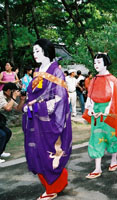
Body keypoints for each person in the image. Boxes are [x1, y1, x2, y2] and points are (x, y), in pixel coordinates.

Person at [22, 38, 72, 200]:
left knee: (49, 154)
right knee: (36, 152)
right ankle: (57, 183)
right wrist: (29, 105)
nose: (34, 54)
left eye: (37, 51)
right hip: (35, 121)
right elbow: (34, 95)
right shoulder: (38, 71)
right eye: (33, 51)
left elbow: (59, 98)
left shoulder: (56, 72)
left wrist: (36, 107)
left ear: (46, 50)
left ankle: (52, 188)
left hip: (49, 122)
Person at [82, 52, 117, 179]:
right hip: (96, 113)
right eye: (95, 62)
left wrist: (105, 112)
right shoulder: (93, 80)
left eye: (99, 62)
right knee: (96, 137)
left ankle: (114, 159)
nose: (96, 65)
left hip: (109, 113)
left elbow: (115, 99)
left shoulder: (113, 80)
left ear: (106, 63)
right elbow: (90, 96)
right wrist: (91, 109)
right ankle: (97, 168)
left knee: (111, 137)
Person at [0, 82, 26, 163]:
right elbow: (8, 108)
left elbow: (18, 109)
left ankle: (1, 151)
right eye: (14, 91)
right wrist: (14, 97)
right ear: (8, 91)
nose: (16, 93)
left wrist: (22, 100)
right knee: (2, 135)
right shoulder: (1, 96)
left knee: (8, 132)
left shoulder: (8, 96)